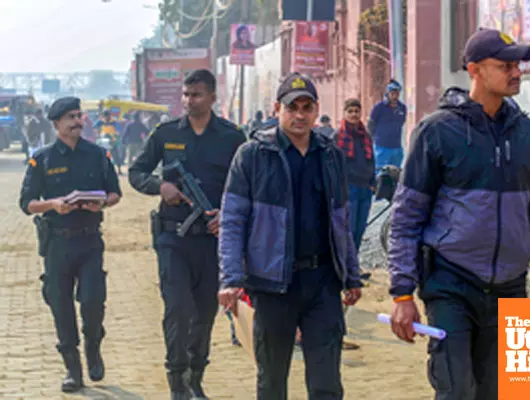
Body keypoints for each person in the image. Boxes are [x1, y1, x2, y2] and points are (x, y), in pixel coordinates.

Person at [386, 28, 530, 400]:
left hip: (511, 289)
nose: (516, 72)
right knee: (457, 390)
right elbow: (406, 219)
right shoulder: (436, 132)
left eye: (518, 65)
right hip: (451, 285)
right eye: (505, 65)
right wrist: (402, 295)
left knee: (497, 393)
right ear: (474, 70)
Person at [218, 72, 363, 400]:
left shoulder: (330, 156)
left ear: (315, 111)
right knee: (271, 379)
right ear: (277, 109)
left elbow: (341, 221)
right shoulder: (252, 156)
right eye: (292, 107)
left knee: (326, 381)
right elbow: (232, 221)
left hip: (323, 281)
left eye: (306, 107)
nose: (299, 115)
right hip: (272, 285)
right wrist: (231, 277)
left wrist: (351, 275)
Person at [129, 69, 246, 400]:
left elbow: (248, 185)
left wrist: (228, 214)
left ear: (212, 97)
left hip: (212, 241)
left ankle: (196, 377)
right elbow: (136, 172)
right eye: (185, 94)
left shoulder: (232, 137)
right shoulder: (165, 134)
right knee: (177, 308)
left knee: (205, 312)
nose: (188, 100)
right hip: (173, 238)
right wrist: (159, 186)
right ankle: (176, 381)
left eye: (195, 94)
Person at [18, 97, 122, 393]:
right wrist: (53, 204)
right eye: (71, 118)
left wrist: (102, 202)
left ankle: (93, 345)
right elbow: (26, 203)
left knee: (92, 302)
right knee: (61, 308)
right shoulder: (43, 159)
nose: (78, 121)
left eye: (79, 116)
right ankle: (72, 370)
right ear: (57, 124)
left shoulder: (99, 155)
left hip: (90, 240)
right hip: (56, 245)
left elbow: (115, 193)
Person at [336, 99, 375, 252]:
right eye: (350, 111)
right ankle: (345, 268)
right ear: (344, 113)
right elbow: (333, 166)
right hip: (348, 189)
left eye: (356, 111)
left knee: (360, 229)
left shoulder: (365, 136)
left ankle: (354, 266)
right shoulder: (337, 137)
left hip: (365, 188)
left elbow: (372, 160)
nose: (354, 114)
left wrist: (372, 183)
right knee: (348, 229)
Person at [367, 79, 407, 175]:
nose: (394, 96)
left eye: (397, 93)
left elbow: (402, 122)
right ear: (388, 93)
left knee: (396, 173)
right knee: (381, 173)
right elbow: (370, 125)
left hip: (397, 147)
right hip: (381, 147)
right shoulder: (379, 107)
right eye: (392, 93)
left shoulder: (402, 108)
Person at [94, 110, 123, 174]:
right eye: (105, 116)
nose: (106, 117)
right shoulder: (101, 121)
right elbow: (94, 126)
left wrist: (116, 134)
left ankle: (119, 170)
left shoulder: (114, 122)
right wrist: (97, 133)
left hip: (112, 141)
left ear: (109, 115)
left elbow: (118, 130)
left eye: (107, 116)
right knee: (102, 156)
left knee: (115, 155)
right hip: (104, 140)